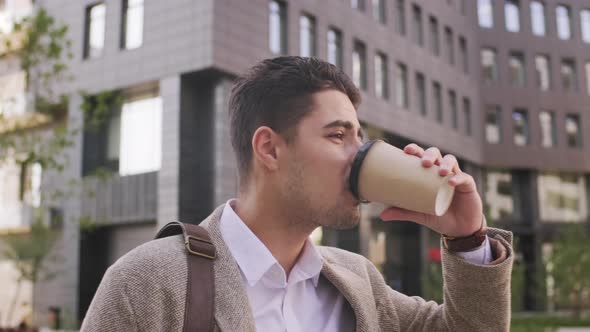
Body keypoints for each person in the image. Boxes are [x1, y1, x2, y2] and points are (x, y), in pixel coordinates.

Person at [81, 56, 513, 332]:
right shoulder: (148, 282)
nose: (359, 155)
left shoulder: (357, 282)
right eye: (337, 135)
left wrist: (467, 239)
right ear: (269, 148)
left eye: (359, 137)